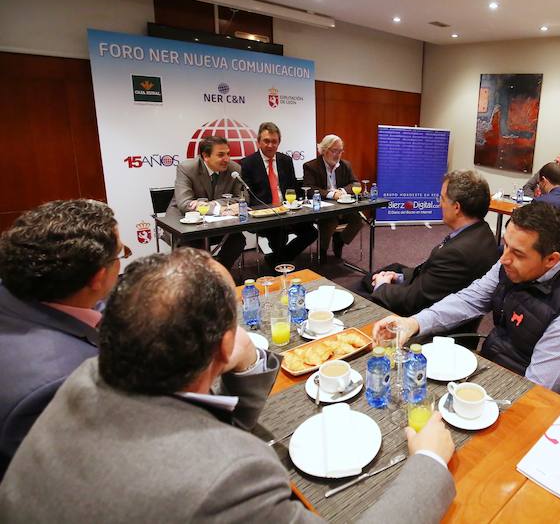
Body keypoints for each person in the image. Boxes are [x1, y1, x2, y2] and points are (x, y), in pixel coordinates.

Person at [0, 248, 456, 522]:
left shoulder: (82, 379)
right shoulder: (231, 476)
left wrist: (248, 358)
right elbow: (211, 456)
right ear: (221, 345)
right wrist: (431, 461)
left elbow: (194, 418)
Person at [372, 202, 560, 420]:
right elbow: (470, 299)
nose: (504, 258)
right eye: (505, 245)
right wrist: (414, 323)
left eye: (517, 252)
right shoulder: (512, 262)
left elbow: (534, 391)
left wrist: (470, 404)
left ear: (551, 259)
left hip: (544, 411)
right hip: (499, 370)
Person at [0, 199, 124, 479]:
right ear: (97, 278)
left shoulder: (19, 290)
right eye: (121, 254)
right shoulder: (62, 381)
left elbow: (94, 308)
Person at [366, 169, 499, 317]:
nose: (439, 205)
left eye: (442, 199)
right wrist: (399, 277)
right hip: (434, 290)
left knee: (360, 295)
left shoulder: (457, 253)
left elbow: (412, 302)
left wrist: (381, 286)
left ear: (456, 207)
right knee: (388, 270)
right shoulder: (484, 232)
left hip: (423, 320)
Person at [239, 122, 317, 268]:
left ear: (279, 143)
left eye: (274, 141)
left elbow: (293, 187)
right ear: (258, 142)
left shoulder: (285, 160)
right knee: (278, 234)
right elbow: (248, 195)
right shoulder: (247, 163)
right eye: (266, 141)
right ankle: (280, 264)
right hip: (264, 214)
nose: (270, 145)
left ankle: (278, 258)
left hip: (287, 210)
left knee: (311, 232)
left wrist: (302, 203)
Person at [169, 135, 246, 269]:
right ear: (206, 156)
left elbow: (243, 199)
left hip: (217, 224)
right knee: (194, 248)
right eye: (221, 155)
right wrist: (220, 208)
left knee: (237, 240)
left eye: (228, 154)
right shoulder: (187, 168)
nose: (227, 159)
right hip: (186, 224)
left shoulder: (234, 169)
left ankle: (218, 273)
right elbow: (185, 204)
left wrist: (212, 205)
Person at [302, 134, 363, 262]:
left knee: (358, 220)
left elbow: (355, 184)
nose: (338, 154)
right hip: (323, 208)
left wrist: (341, 191)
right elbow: (309, 188)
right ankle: (322, 251)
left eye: (340, 151)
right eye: (334, 150)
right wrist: (331, 194)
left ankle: (340, 240)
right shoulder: (311, 166)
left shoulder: (345, 165)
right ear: (324, 150)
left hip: (343, 206)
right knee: (329, 222)